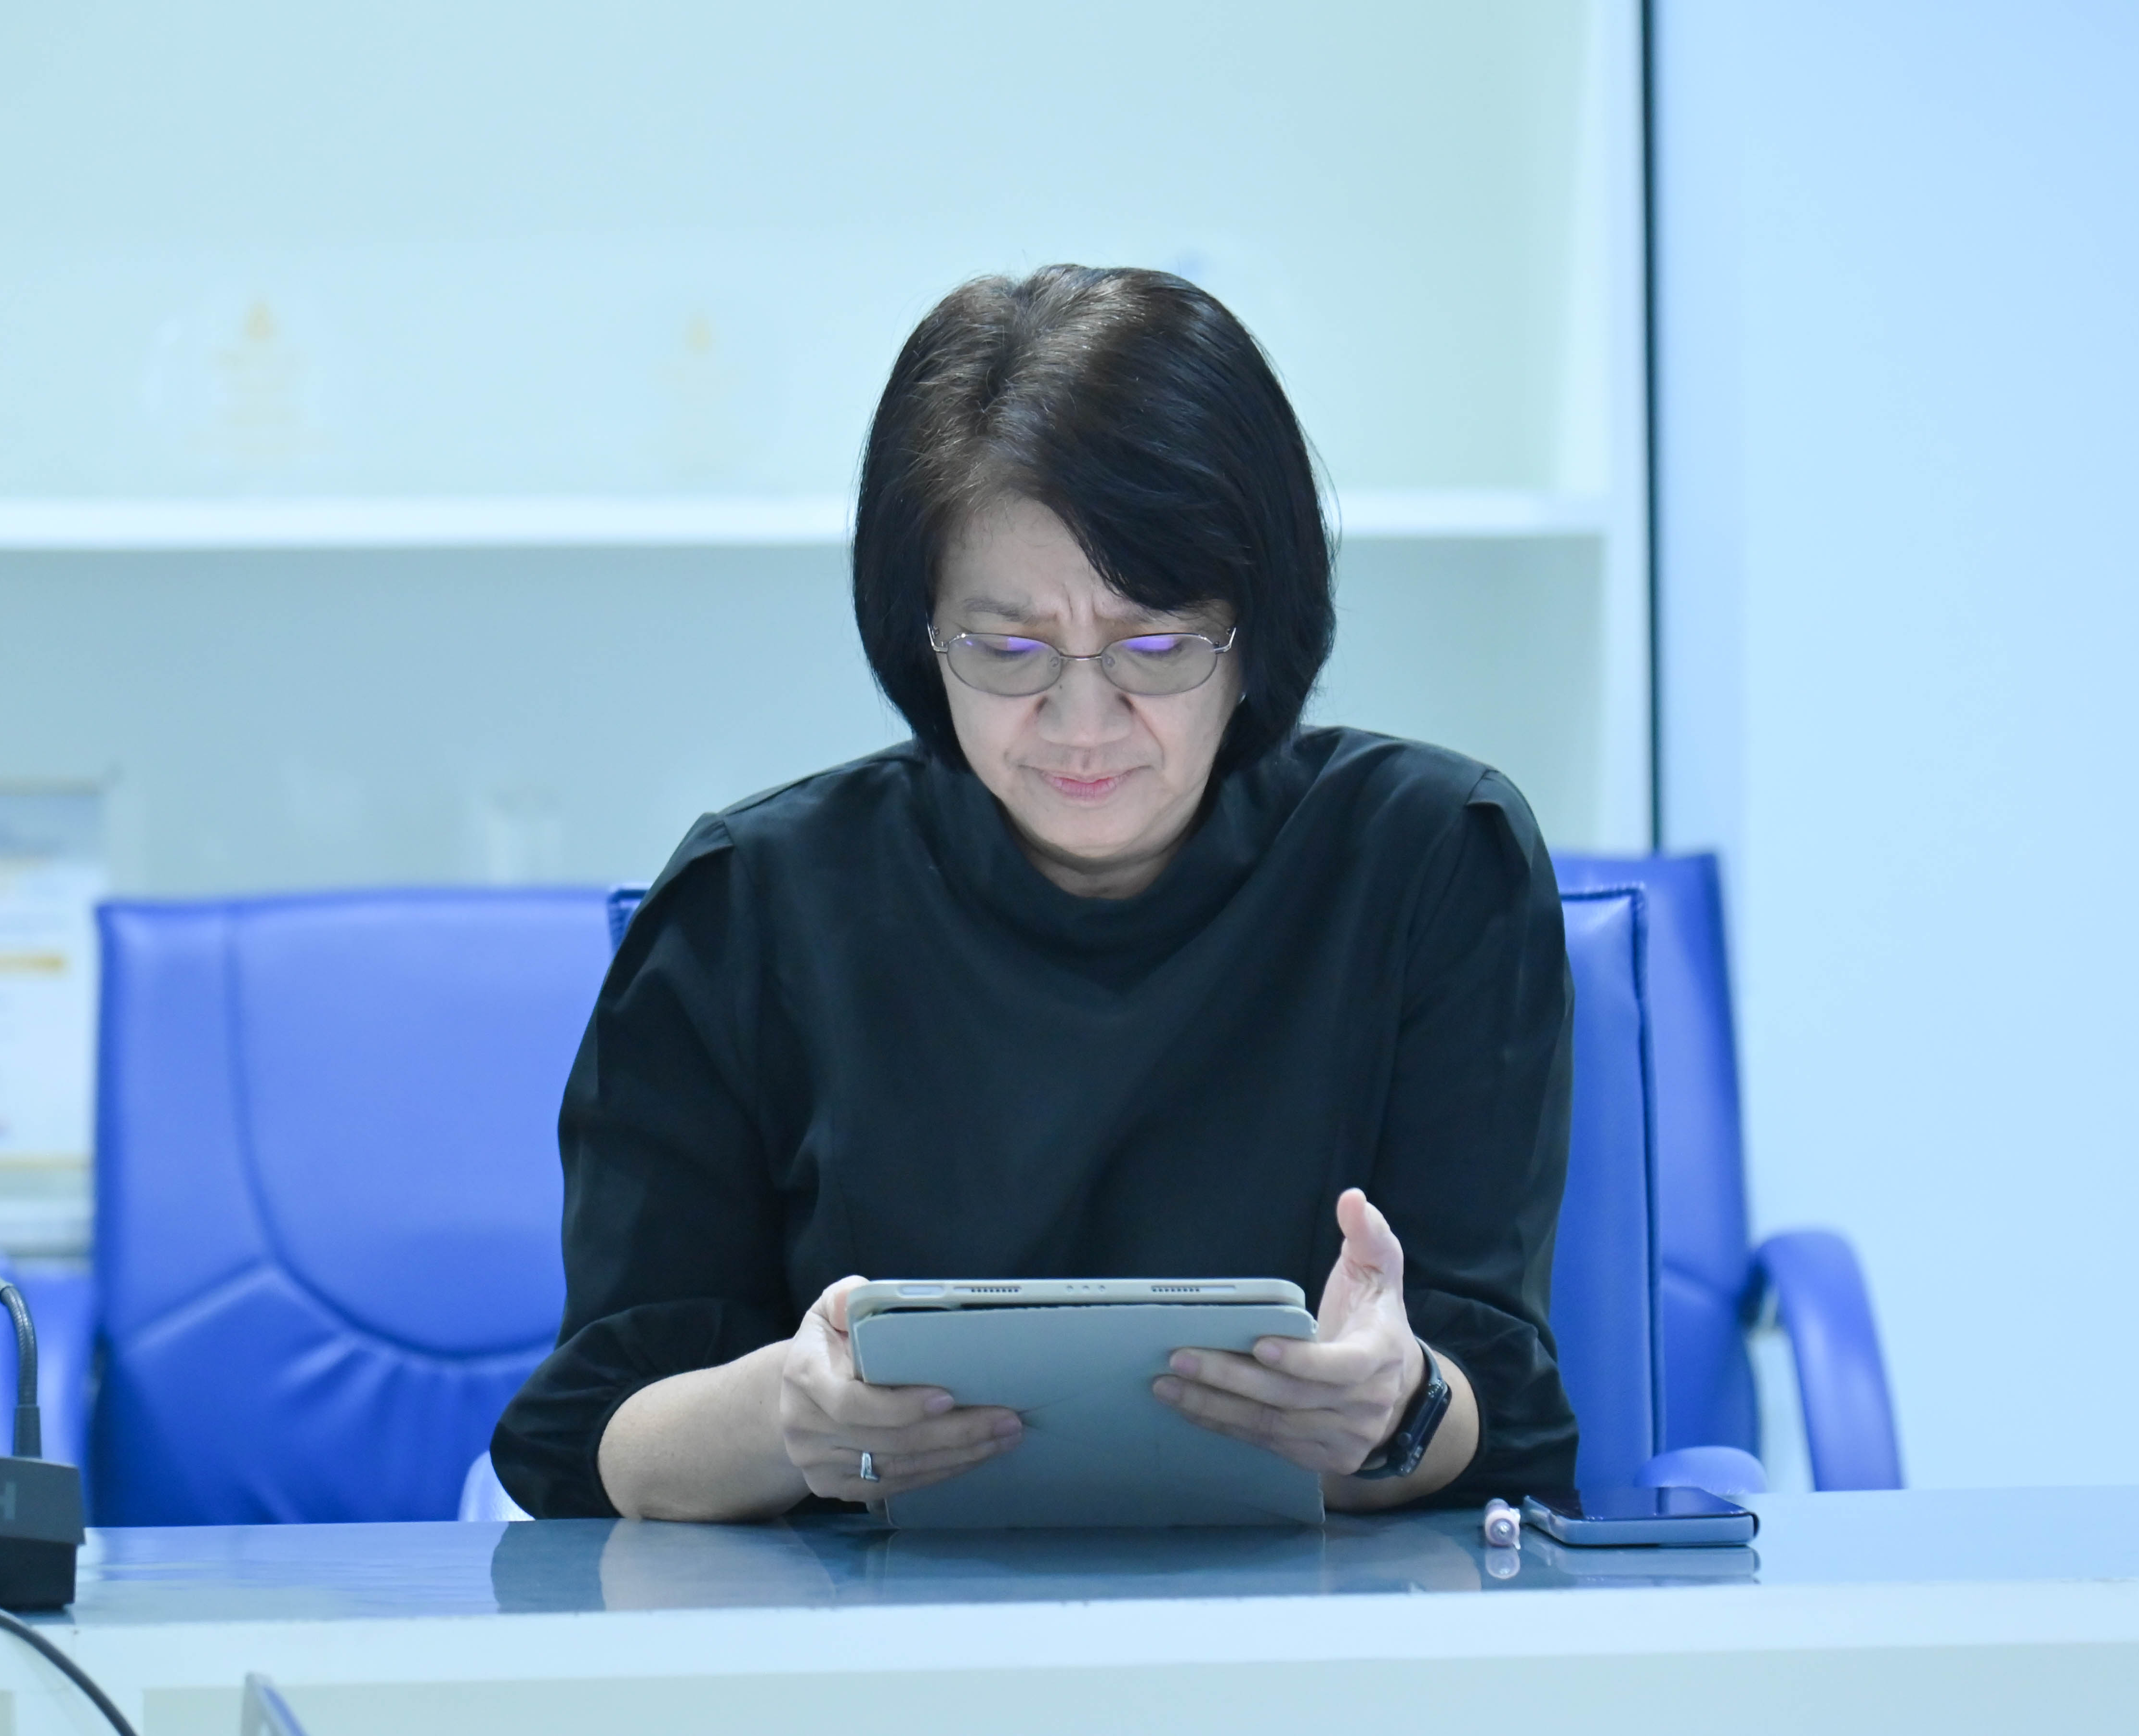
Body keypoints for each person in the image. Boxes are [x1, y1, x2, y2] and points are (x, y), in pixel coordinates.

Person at [492, 265, 1576, 1522]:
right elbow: (599, 1434)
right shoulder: (756, 904)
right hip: (863, 1624)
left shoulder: (1430, 860)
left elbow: (1499, 1405)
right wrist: (785, 1418)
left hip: (1308, 1619)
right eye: (1008, 648)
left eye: (1155, 644)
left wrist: (1393, 1409)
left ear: (1258, 628)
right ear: (920, 631)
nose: (1081, 721)